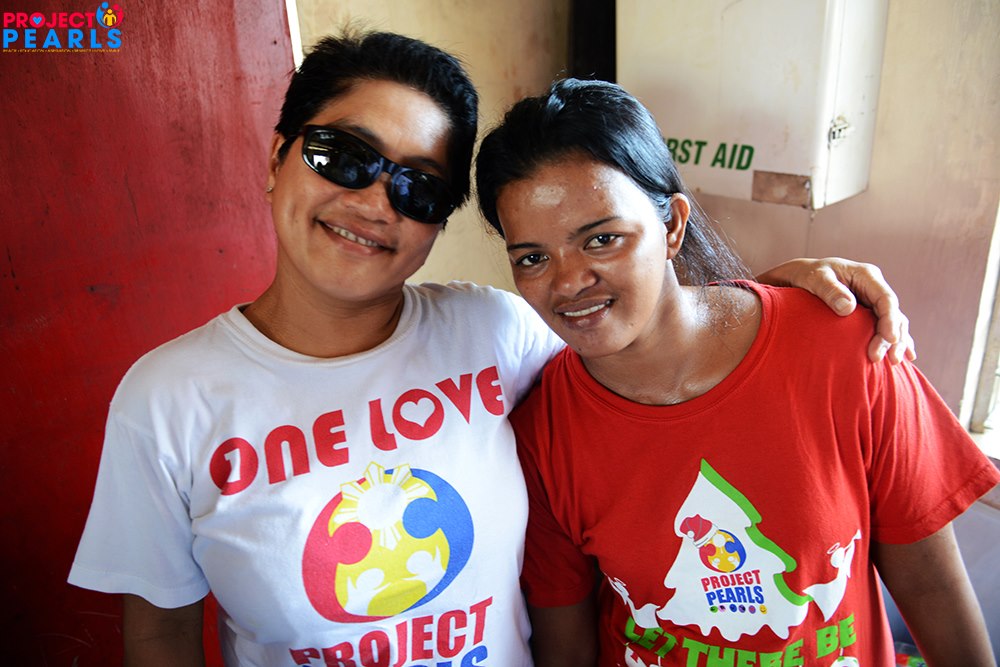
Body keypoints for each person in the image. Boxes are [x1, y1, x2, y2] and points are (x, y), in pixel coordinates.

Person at [68, 31, 916, 665]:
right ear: (278, 158)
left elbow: (642, 331)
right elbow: (162, 634)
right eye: (343, 157)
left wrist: (775, 301)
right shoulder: (168, 399)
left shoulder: (495, 331)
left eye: (418, 187)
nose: (376, 202)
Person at [474, 78, 1000, 667]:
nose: (569, 282)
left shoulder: (843, 350)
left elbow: (930, 586)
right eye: (533, 257)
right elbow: (567, 646)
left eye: (602, 239)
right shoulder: (543, 431)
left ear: (672, 226)